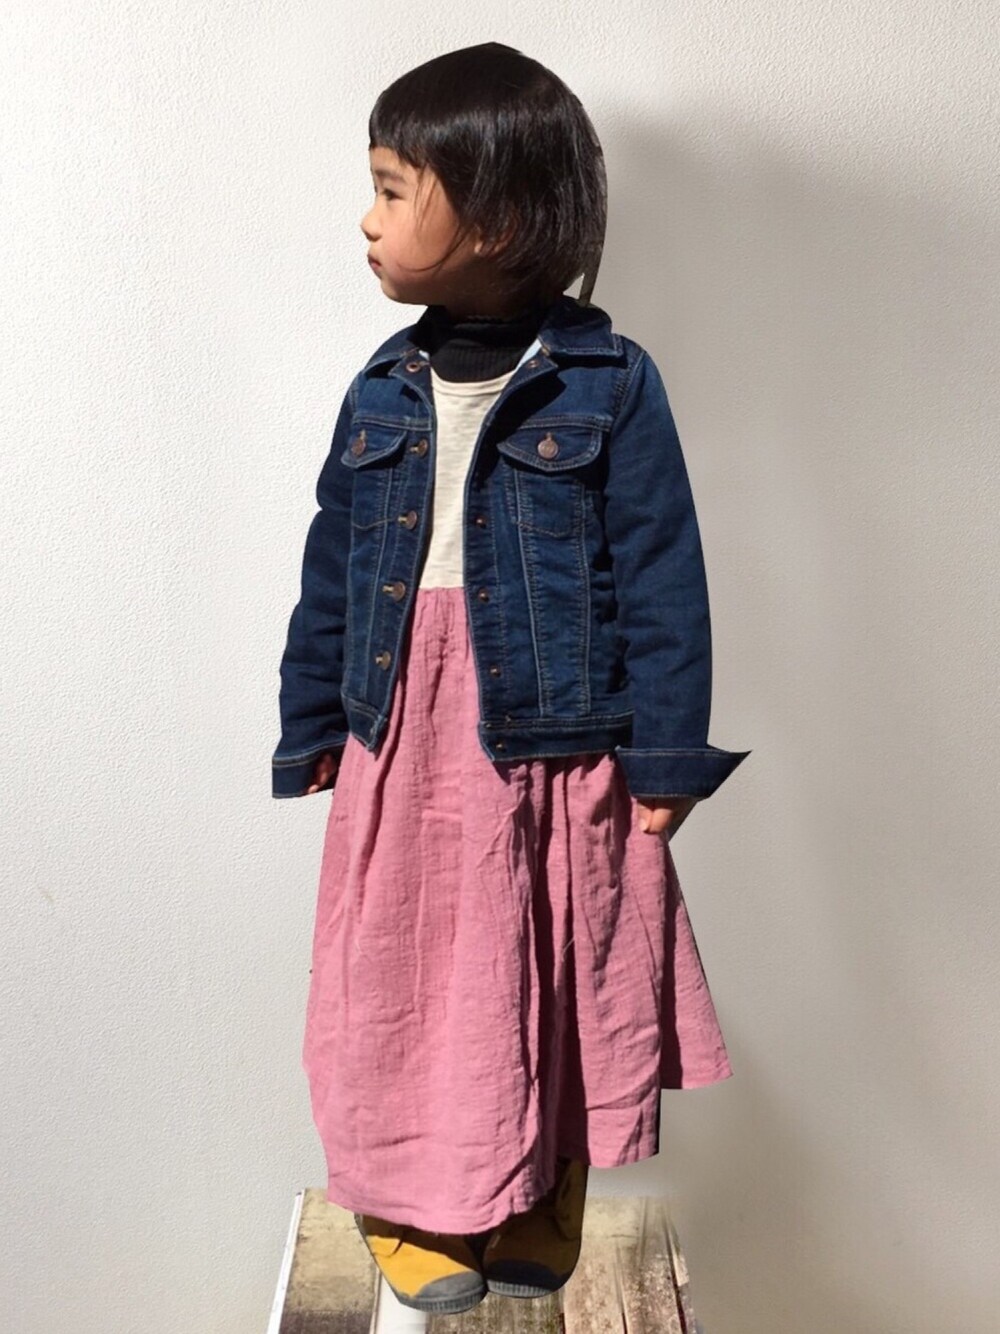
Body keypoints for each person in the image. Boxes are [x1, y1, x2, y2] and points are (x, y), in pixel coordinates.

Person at [272, 41, 750, 1328]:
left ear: (491, 221)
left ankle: (543, 1177)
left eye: (390, 190)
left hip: (553, 732)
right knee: (404, 966)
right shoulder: (380, 388)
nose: (365, 219)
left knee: (554, 953)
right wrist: (310, 716)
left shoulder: (611, 384)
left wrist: (665, 752)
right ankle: (404, 1194)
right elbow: (333, 561)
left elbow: (662, 571)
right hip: (401, 730)